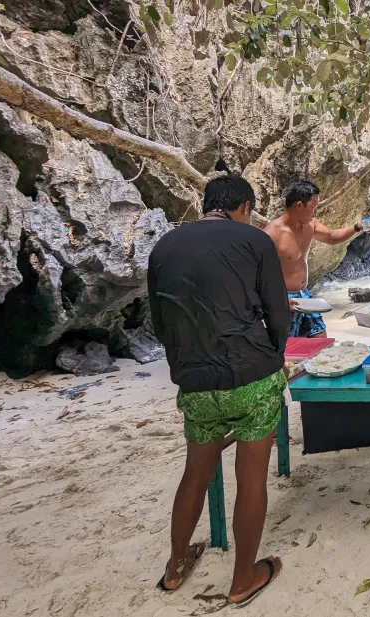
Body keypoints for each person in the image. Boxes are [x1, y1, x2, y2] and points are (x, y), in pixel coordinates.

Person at [148, 174, 290, 607]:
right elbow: (278, 313)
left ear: (206, 203)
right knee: (250, 480)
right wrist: (277, 356)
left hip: (195, 382)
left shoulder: (163, 247)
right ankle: (243, 578)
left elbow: (159, 325)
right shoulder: (254, 241)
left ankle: (174, 569)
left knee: (196, 471)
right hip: (251, 378)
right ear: (244, 207)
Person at [264, 180, 364, 338]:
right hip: (284, 298)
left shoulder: (310, 225)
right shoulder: (272, 233)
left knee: (320, 339)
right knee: (288, 347)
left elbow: (332, 237)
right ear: (299, 205)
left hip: (305, 294)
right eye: (312, 207)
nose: (315, 212)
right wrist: (277, 301)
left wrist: (358, 227)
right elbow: (259, 273)